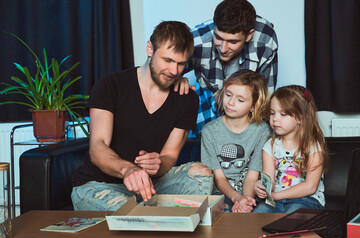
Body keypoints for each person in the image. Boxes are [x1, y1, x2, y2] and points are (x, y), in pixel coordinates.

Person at [71, 21, 213, 211]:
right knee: (135, 213)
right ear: (149, 49)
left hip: (151, 185)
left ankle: (158, 215)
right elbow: (97, 147)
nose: (173, 71)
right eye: (167, 60)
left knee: (201, 174)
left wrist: (158, 164)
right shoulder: (110, 86)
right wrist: (128, 169)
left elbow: (170, 154)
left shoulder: (187, 99)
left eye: (180, 64)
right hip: (99, 185)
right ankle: (152, 215)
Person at [179, 0, 278, 137]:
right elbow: (164, 71)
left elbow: (265, 97)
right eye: (219, 38)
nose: (223, 49)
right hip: (208, 112)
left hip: (247, 115)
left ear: (249, 35)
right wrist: (175, 80)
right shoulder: (197, 40)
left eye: (233, 41)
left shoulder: (265, 39)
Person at [201, 70, 271, 213]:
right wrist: (236, 198)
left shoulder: (262, 131)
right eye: (228, 95)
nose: (231, 102)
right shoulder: (209, 131)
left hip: (249, 194)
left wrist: (244, 202)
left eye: (240, 100)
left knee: (259, 213)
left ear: (253, 105)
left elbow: (252, 175)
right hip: (220, 194)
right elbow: (219, 178)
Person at [253, 85, 330, 213]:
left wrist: (277, 195)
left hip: (307, 199)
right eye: (272, 113)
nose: (275, 119)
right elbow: (269, 179)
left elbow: (310, 187)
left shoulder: (313, 147)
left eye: (283, 114)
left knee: (293, 216)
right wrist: (261, 186)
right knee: (258, 213)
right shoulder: (270, 146)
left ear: (301, 117)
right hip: (275, 201)